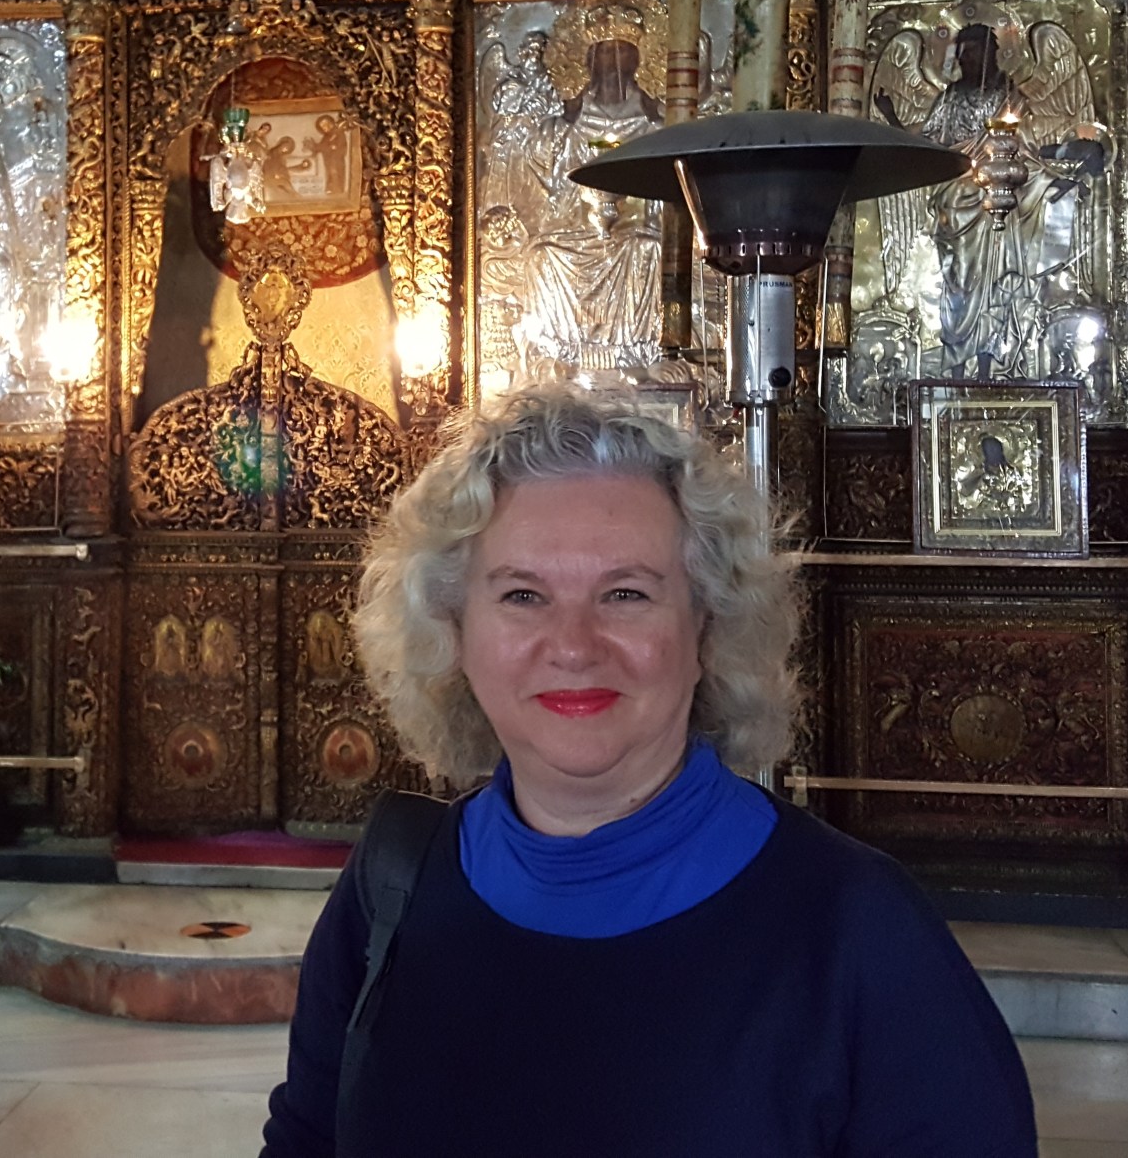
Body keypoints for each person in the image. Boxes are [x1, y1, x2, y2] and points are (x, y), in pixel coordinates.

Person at [261, 384, 1037, 1158]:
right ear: (453, 632)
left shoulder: (856, 929)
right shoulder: (392, 888)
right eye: (523, 594)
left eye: (626, 593)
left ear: (706, 630)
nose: (574, 645)